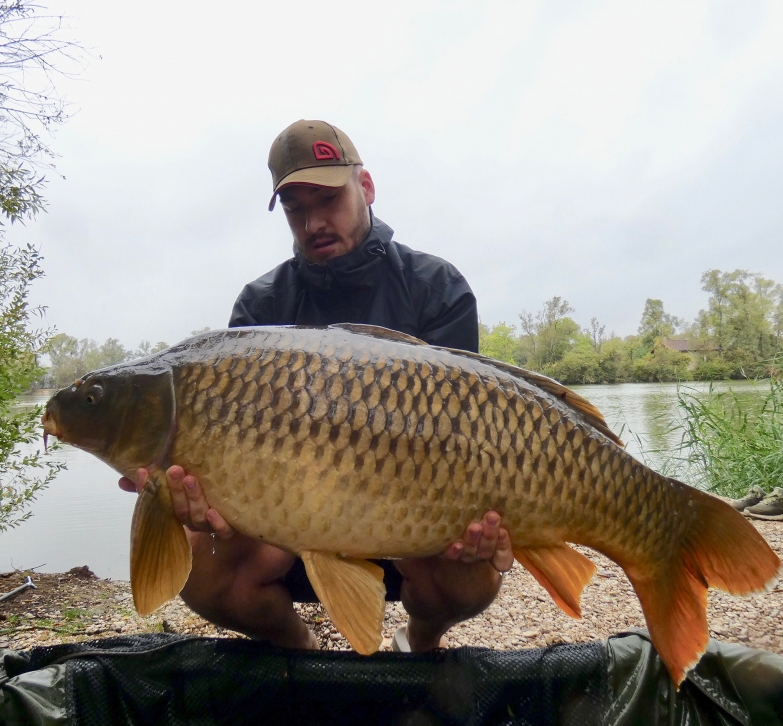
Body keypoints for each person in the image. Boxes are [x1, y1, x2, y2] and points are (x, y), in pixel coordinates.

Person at [119, 120, 514, 652]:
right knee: (203, 562)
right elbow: (229, 471)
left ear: (366, 188)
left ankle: (420, 639)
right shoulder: (260, 308)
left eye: (328, 199)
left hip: (415, 530)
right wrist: (200, 505)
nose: (314, 222)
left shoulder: (435, 289)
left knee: (474, 566)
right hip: (290, 533)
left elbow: (472, 435)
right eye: (296, 208)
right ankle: (297, 646)